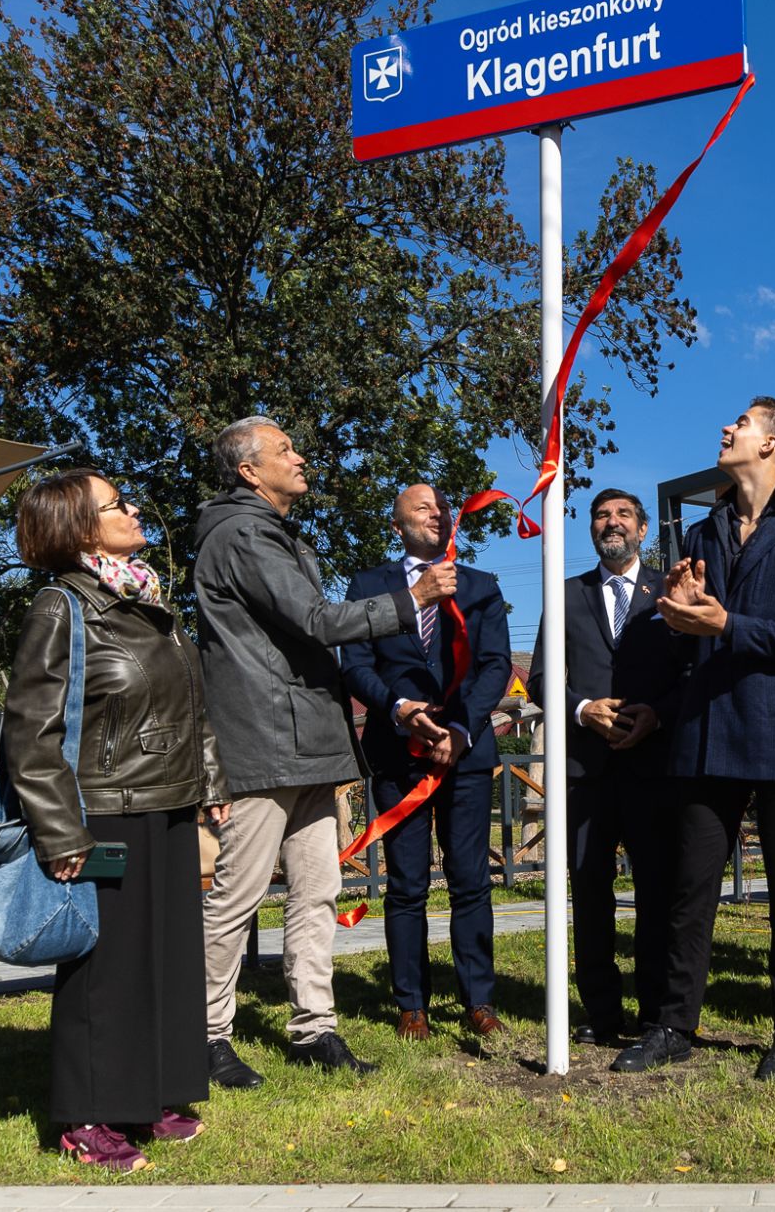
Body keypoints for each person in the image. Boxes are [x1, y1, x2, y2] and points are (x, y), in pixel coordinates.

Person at [195, 419, 453, 1089]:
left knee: (317, 892)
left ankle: (314, 1027)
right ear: (249, 470)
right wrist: (410, 600)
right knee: (238, 896)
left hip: (307, 743)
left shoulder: (279, 535)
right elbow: (315, 621)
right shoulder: (244, 534)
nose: (299, 456)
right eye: (285, 449)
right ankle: (204, 1034)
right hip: (263, 741)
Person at [611, 397, 775, 1081]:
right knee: (690, 891)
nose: (726, 428)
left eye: (741, 423)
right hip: (706, 730)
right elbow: (692, 638)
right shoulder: (704, 529)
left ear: (770, 445)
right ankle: (673, 1024)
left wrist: (725, 625)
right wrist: (680, 613)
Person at [8, 469, 229, 1171]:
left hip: (165, 802)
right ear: (78, 529)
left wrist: (209, 780)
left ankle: (152, 1092)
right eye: (117, 505)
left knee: (164, 961)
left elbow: (185, 702)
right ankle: (88, 1115)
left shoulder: (141, 598)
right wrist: (60, 832)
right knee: (105, 972)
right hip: (101, 811)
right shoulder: (60, 607)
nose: (134, 510)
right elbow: (28, 731)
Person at [342, 484, 513, 1041]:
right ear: (397, 525)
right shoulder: (369, 587)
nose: (436, 513)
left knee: (471, 882)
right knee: (407, 885)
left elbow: (494, 665)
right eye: (421, 507)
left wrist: (462, 727)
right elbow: (357, 664)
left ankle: (479, 1000)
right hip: (399, 753)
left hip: (464, 754)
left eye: (441, 507)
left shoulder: (481, 586)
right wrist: (397, 708)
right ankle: (411, 1003)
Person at [527, 487, 678, 1044]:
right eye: (600, 515)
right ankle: (602, 1012)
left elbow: (692, 672)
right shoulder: (565, 593)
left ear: (642, 529)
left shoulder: (670, 589)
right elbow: (543, 677)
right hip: (584, 770)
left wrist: (658, 716)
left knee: (657, 891)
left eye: (622, 515)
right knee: (590, 892)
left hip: (654, 764)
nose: (610, 523)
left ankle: (659, 1012)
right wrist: (582, 708)